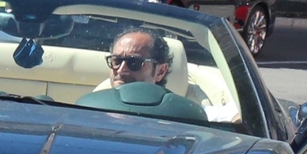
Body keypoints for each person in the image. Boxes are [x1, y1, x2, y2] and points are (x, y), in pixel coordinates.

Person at [77, 27, 209, 123]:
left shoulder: (186, 117)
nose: (122, 70)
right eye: (116, 61)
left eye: (134, 62)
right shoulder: (88, 111)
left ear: (160, 71)